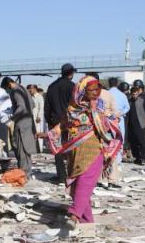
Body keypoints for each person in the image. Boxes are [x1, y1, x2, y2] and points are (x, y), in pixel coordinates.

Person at [47, 75, 122, 227]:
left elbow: (107, 126)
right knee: (77, 186)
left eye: (97, 89)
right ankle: (86, 221)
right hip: (76, 153)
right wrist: (48, 134)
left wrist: (101, 116)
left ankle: (74, 214)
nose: (95, 92)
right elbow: (63, 125)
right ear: (81, 91)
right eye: (91, 90)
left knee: (85, 182)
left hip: (95, 149)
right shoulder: (72, 109)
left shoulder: (99, 107)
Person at [45, 63, 76, 183]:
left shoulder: (52, 86)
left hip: (54, 122)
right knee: (70, 147)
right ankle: (71, 174)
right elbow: (75, 105)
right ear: (71, 73)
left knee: (57, 149)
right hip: (69, 122)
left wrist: (49, 121)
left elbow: (47, 106)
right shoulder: (72, 86)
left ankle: (61, 176)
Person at [1, 77, 37, 176]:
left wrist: (12, 117)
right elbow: (32, 104)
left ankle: (23, 173)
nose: (7, 92)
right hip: (28, 122)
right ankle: (26, 172)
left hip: (21, 124)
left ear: (8, 85)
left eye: (6, 89)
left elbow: (21, 107)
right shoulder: (23, 88)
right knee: (26, 149)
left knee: (21, 149)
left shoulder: (16, 91)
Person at [128, 86, 145, 164]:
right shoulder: (129, 101)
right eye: (133, 94)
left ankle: (144, 157)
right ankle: (137, 157)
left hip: (141, 124)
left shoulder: (142, 100)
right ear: (131, 94)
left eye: (136, 94)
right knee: (133, 142)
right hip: (131, 125)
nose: (134, 96)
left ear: (138, 93)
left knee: (142, 141)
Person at [27, 84, 45, 152]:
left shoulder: (39, 97)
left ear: (34, 89)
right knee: (31, 133)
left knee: (38, 133)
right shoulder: (29, 97)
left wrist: (39, 116)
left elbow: (41, 108)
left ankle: (39, 149)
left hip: (37, 118)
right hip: (30, 117)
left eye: (30, 89)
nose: (29, 90)